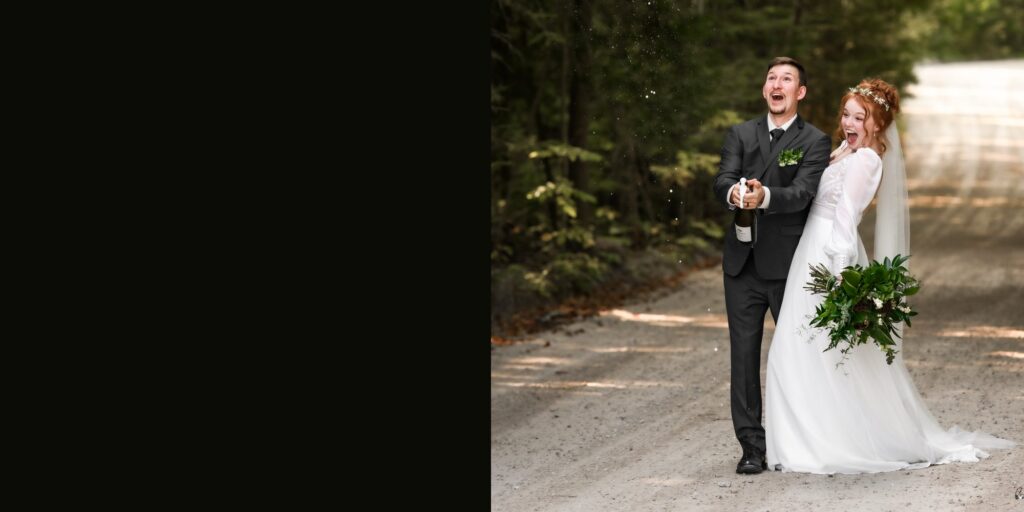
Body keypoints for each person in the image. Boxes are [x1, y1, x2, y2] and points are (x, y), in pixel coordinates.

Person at [761, 78, 1015, 474]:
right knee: (802, 352)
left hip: (828, 255)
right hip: (811, 250)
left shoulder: (866, 160)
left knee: (800, 351)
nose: (849, 121)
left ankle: (817, 444)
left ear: (877, 124)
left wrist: (840, 276)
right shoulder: (848, 151)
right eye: (845, 114)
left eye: (859, 117)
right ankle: (808, 440)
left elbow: (846, 219)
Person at [712, 57, 832, 474]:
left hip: (788, 265)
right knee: (743, 357)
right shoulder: (741, 133)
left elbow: (802, 193)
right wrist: (735, 194)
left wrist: (765, 197)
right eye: (771, 78)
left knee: (797, 355)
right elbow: (722, 178)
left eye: (787, 79)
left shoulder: (815, 140)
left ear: (800, 92)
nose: (776, 84)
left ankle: (802, 439)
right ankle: (752, 447)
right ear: (765, 89)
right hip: (741, 264)